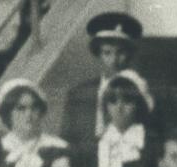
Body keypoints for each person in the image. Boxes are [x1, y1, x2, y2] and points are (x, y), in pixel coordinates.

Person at [61, 10, 151, 148]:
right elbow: (65, 142)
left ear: (130, 55)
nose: (114, 60)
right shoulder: (77, 94)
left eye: (120, 52)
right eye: (107, 53)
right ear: (98, 55)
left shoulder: (145, 92)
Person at [0, 77, 68, 167]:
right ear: (8, 113)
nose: (29, 114)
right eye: (21, 109)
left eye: (34, 108)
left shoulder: (59, 146)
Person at [96, 69, 154, 167]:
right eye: (113, 101)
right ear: (106, 106)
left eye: (127, 101)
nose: (119, 107)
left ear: (138, 105)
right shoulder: (101, 143)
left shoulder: (150, 141)